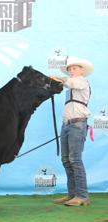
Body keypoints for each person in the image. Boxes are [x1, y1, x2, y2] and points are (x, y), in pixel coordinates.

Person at [49, 56, 93, 206]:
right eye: (69, 69)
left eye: (74, 68)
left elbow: (69, 82)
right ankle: (72, 194)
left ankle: (82, 196)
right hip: (67, 125)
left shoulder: (81, 81)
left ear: (82, 69)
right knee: (67, 160)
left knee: (74, 159)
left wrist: (57, 78)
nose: (71, 71)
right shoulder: (71, 86)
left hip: (77, 125)